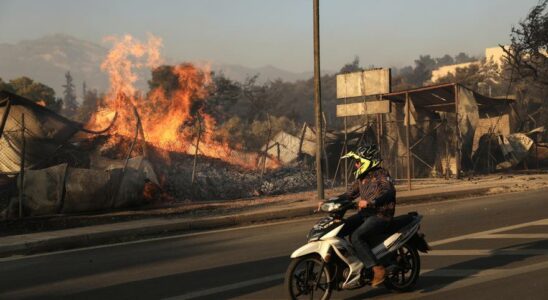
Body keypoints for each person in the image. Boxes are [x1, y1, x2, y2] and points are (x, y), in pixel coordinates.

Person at [337, 144, 396, 288]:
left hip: (381, 215)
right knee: (339, 229)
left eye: (358, 162)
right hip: (365, 215)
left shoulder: (381, 174)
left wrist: (371, 202)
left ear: (368, 161)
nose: (356, 165)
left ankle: (377, 269)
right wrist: (329, 202)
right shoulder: (362, 178)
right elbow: (348, 195)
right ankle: (350, 265)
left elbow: (389, 192)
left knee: (356, 236)